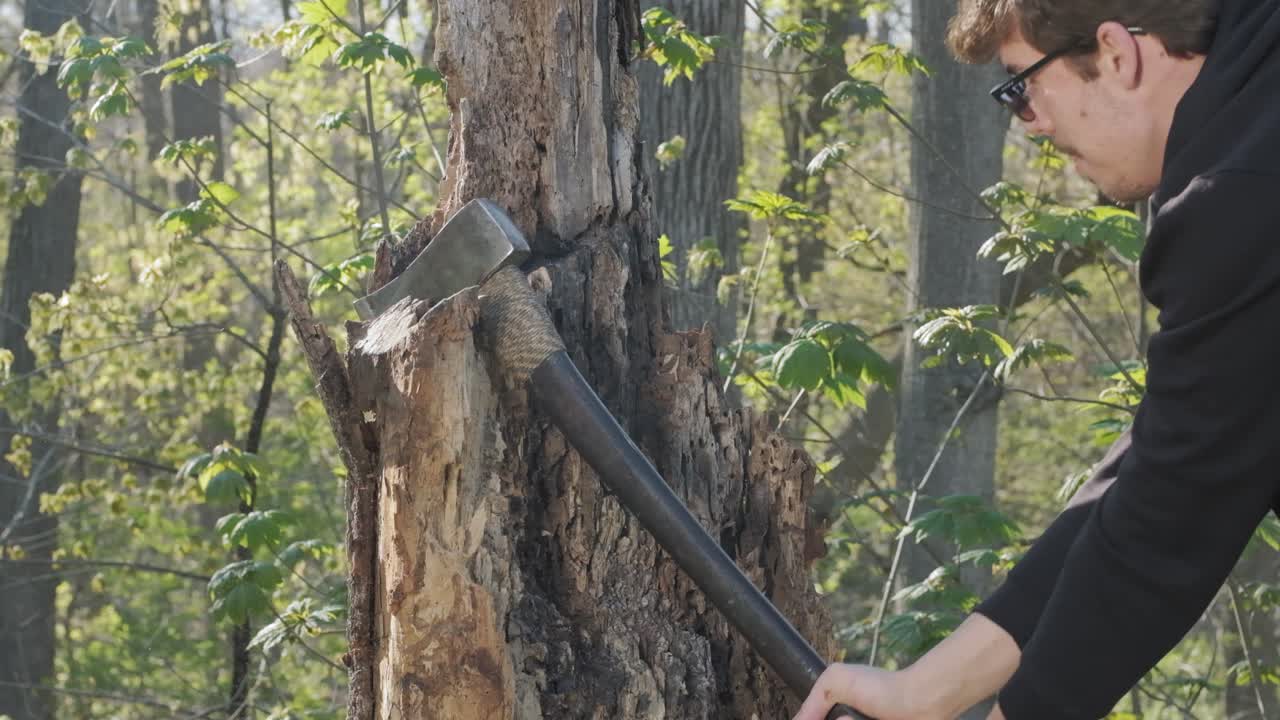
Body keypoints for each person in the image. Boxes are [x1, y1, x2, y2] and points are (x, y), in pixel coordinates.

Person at [793, 0, 1280, 717]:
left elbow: (1168, 527)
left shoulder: (1240, 199)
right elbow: (1166, 463)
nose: (1031, 124)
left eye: (1022, 86)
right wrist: (924, 691)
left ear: (1117, 54)